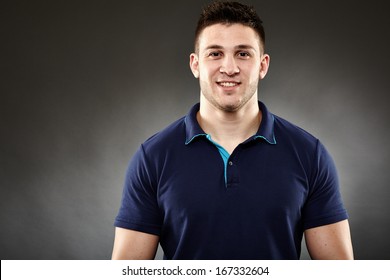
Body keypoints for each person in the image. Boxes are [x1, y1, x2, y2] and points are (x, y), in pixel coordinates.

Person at [111, 1, 354, 260]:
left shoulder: (309, 154)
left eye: (243, 54)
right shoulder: (152, 158)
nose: (229, 68)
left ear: (263, 65)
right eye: (215, 53)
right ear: (195, 64)